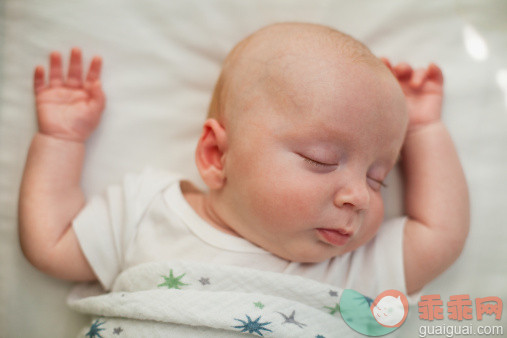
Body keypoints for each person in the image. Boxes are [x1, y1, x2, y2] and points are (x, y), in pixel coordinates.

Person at [18, 22, 469, 299]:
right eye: (321, 160)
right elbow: (51, 243)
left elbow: (440, 234)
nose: (359, 198)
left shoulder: (349, 265)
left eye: (378, 179)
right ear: (217, 155)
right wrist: (60, 140)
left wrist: (424, 130)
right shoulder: (148, 211)